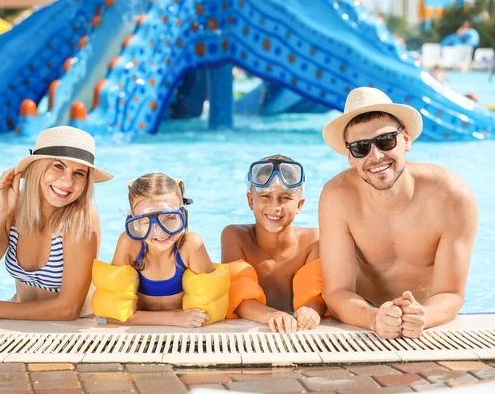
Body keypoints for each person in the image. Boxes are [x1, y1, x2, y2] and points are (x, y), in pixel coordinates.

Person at [319, 87, 477, 339]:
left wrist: (424, 316)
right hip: (367, 310)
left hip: (428, 312)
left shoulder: (451, 196)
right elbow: (338, 292)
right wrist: (373, 318)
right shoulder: (337, 197)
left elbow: (452, 294)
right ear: (350, 156)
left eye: (385, 141)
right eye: (361, 148)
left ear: (405, 140)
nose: (376, 156)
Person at [0, 126, 113, 320]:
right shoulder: (14, 208)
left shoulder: (81, 217)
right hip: (19, 319)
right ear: (38, 166)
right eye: (58, 166)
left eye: (79, 173)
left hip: (75, 328)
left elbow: (68, 309)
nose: (67, 183)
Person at [97, 173, 226, 327]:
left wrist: (137, 318)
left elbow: (207, 312)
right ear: (135, 224)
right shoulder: (130, 244)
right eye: (145, 222)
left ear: (183, 215)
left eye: (170, 219)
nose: (159, 232)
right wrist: (175, 318)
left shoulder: (190, 246)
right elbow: (114, 315)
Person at [221, 155, 326, 333]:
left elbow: (319, 295)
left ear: (299, 205)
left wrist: (312, 311)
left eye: (284, 198)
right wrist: (272, 315)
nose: (275, 206)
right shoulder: (235, 236)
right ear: (250, 201)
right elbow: (238, 298)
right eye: (265, 196)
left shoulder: (313, 241)